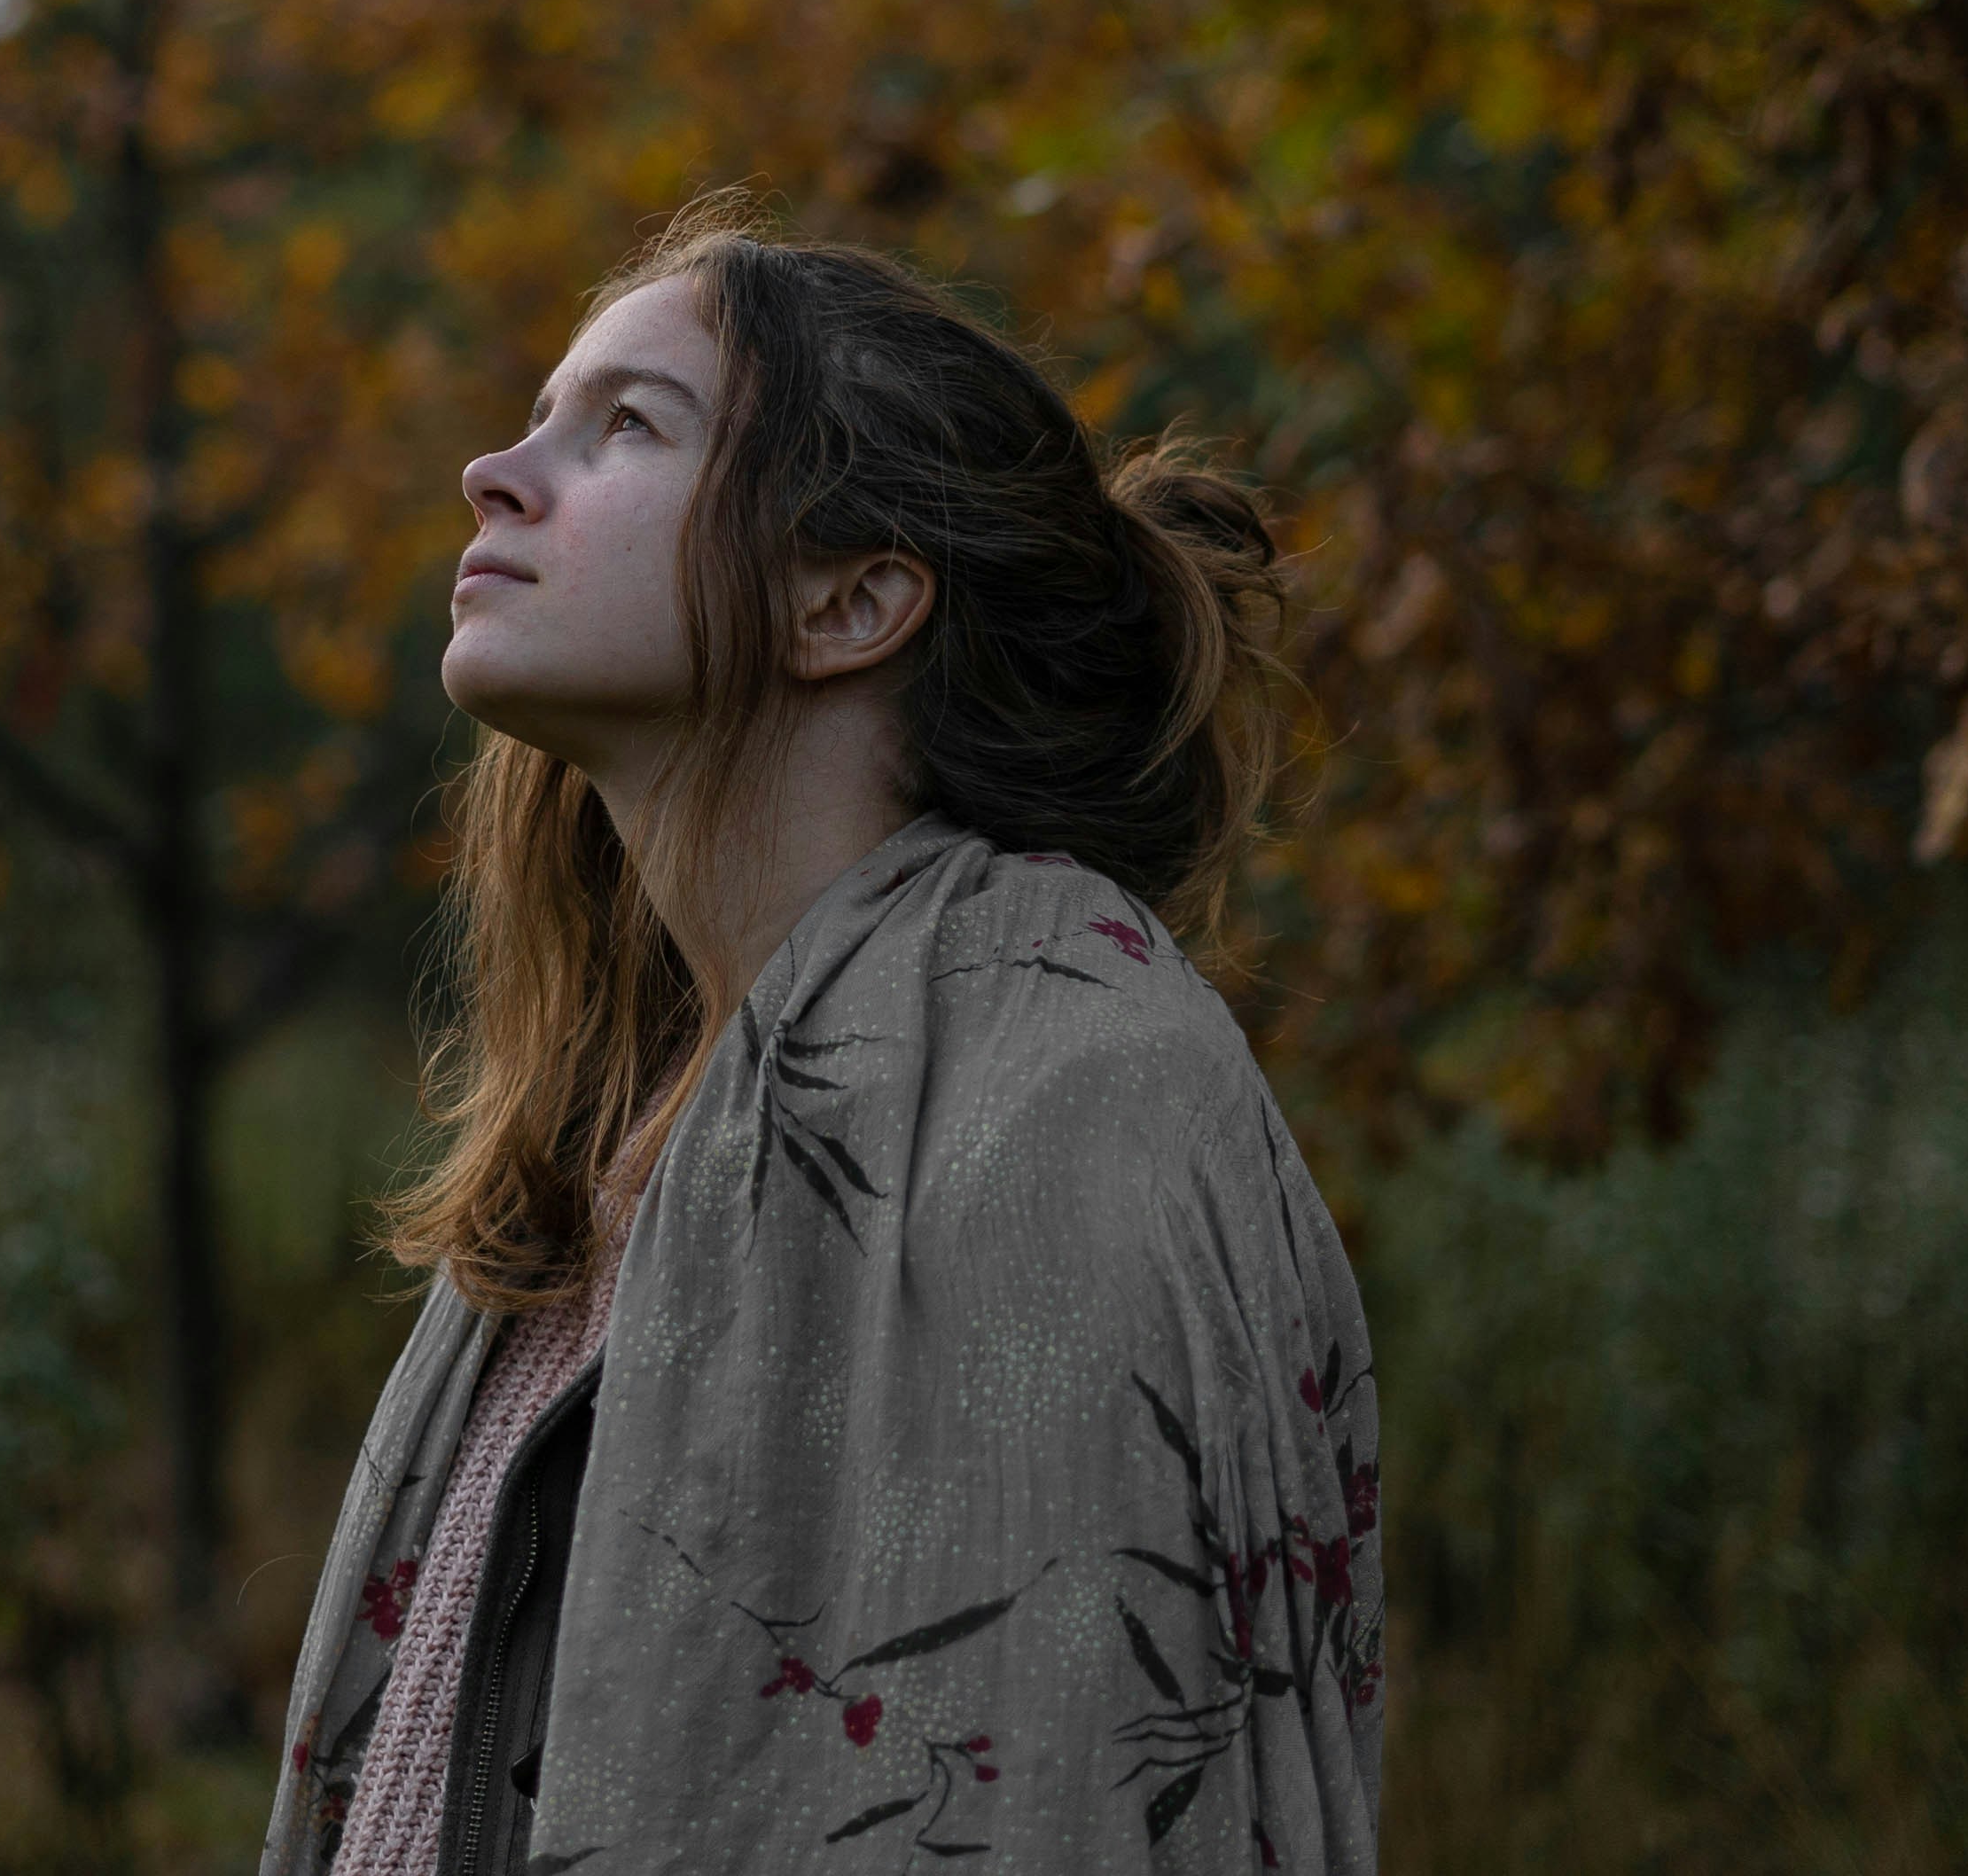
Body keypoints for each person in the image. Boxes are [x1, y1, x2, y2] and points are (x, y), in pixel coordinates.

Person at [262, 198, 1385, 1876]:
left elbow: (1066, 1794)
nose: (496, 473)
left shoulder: (1076, 1090)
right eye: (538, 417)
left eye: (627, 426)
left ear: (849, 603)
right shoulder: (615, 1149)